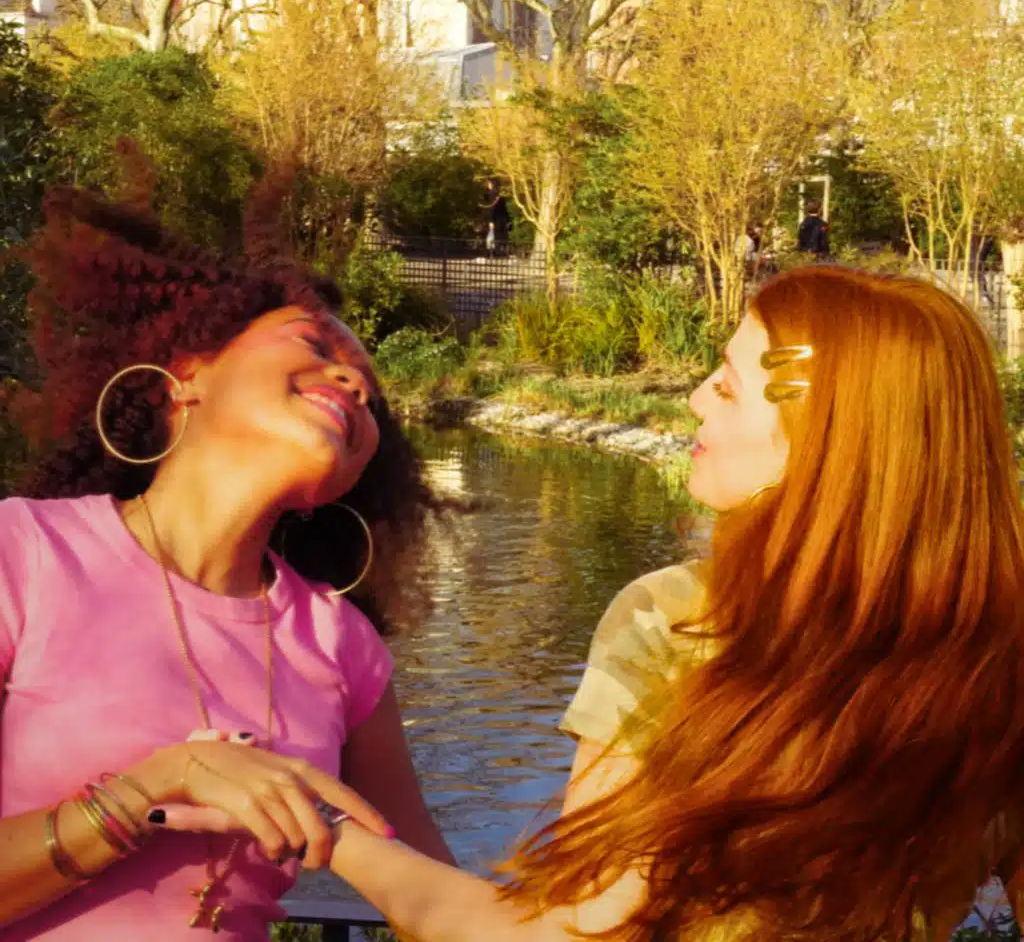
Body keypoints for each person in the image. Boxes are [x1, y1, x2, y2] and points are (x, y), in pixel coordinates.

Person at [165, 265, 1024, 940]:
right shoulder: (999, 665)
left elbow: (576, 933)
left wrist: (317, 822)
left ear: (822, 440)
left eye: (726, 386)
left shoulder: (682, 623)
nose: (694, 396)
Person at [0, 165, 453, 939]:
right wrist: (145, 793)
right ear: (188, 374)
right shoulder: (23, 555)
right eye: (313, 344)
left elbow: (437, 901)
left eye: (371, 397)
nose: (353, 382)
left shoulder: (343, 647)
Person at [482, 178, 510, 256]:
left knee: (494, 235)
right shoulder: (499, 194)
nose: (488, 186)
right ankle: (500, 251)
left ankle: (494, 252)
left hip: (496, 218)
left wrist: (491, 220)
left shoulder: (492, 194)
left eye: (489, 184)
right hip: (501, 219)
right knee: (499, 235)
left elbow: (492, 208)